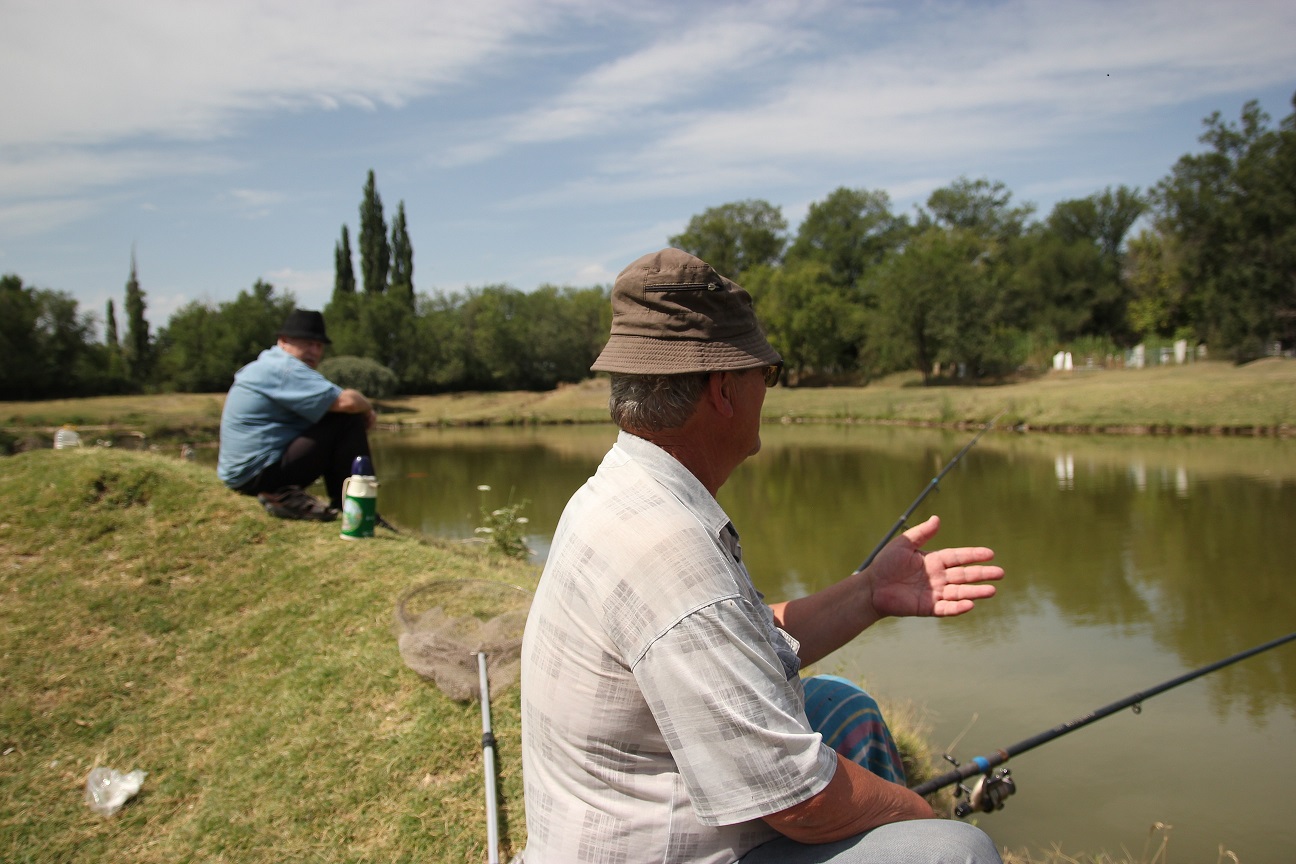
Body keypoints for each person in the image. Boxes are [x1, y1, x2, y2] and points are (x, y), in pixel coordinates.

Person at [518, 248, 1005, 864]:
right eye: (766, 375)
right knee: (956, 852)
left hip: (621, 819)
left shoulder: (621, 492)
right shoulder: (670, 554)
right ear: (723, 388)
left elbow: (730, 640)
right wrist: (914, 812)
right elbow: (795, 799)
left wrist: (869, 592)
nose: (767, 395)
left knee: (838, 705)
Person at [217, 309, 376, 521]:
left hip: (242, 475)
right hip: (257, 474)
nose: (314, 351)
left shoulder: (268, 365)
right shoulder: (285, 369)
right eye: (307, 343)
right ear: (283, 341)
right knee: (346, 419)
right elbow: (348, 402)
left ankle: (344, 504)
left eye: (318, 345)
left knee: (332, 415)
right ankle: (358, 509)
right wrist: (367, 409)